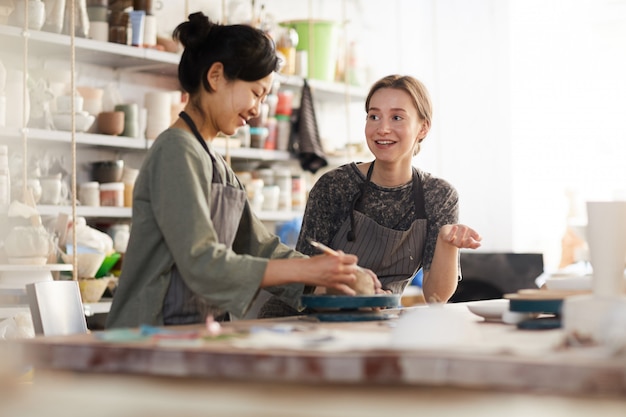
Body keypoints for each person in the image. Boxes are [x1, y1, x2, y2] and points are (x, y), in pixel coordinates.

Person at [105, 12, 379, 329]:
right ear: (216, 76)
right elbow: (201, 261)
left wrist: (331, 276)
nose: (257, 110)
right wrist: (308, 273)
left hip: (193, 330)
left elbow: (259, 247)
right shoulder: (176, 151)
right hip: (146, 335)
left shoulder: (216, 163)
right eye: (256, 93)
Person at [259, 74, 481, 317]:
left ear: (423, 127)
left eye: (397, 117)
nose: (382, 128)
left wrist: (447, 245)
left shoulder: (438, 195)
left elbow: (436, 297)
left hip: (373, 321)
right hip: (301, 320)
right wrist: (358, 293)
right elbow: (301, 279)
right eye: (373, 116)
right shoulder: (335, 185)